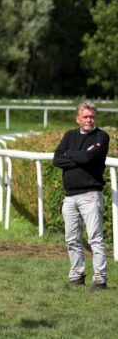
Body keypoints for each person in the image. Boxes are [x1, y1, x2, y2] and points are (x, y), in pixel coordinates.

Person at [52, 100, 109, 291]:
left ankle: (100, 280)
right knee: (72, 239)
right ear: (78, 119)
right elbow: (56, 159)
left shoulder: (102, 136)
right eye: (85, 116)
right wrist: (78, 156)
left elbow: (87, 158)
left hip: (91, 195)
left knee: (95, 239)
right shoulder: (69, 135)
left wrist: (69, 155)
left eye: (92, 116)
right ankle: (76, 276)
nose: (89, 120)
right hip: (70, 197)